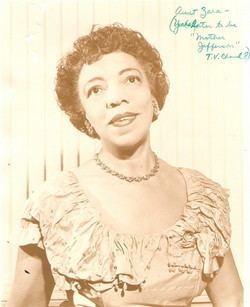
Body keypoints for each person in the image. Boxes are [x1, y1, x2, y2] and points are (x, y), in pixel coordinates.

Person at [6, 24, 243, 307]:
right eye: (95, 89)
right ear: (84, 115)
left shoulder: (202, 198)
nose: (115, 98)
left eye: (131, 80)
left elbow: (231, 297)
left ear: (153, 96)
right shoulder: (55, 203)